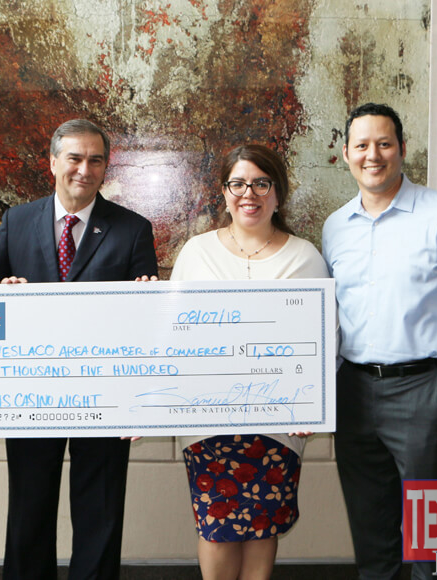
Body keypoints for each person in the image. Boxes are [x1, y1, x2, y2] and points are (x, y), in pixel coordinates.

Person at [322, 103, 437, 579]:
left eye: (384, 143)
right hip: (353, 393)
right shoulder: (335, 227)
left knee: (432, 544)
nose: (373, 155)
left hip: (424, 391)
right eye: (362, 145)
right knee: (372, 540)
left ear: (402, 148)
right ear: (346, 154)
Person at [0, 119, 159, 580]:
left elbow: (146, 323)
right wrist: (1, 292)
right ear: (53, 162)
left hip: (106, 397)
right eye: (75, 158)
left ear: (106, 167)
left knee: (100, 512)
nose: (85, 169)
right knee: (28, 510)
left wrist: (139, 399)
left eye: (96, 160)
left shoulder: (133, 229)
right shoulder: (16, 221)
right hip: (30, 394)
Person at [170, 144, 329, 580]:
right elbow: (170, 333)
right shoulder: (196, 253)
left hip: (277, 425)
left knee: (263, 526)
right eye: (238, 183)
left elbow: (324, 340)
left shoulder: (306, 258)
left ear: (278, 193)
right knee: (217, 528)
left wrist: (311, 404)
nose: (249, 194)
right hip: (207, 423)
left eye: (261, 183)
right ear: (224, 192)